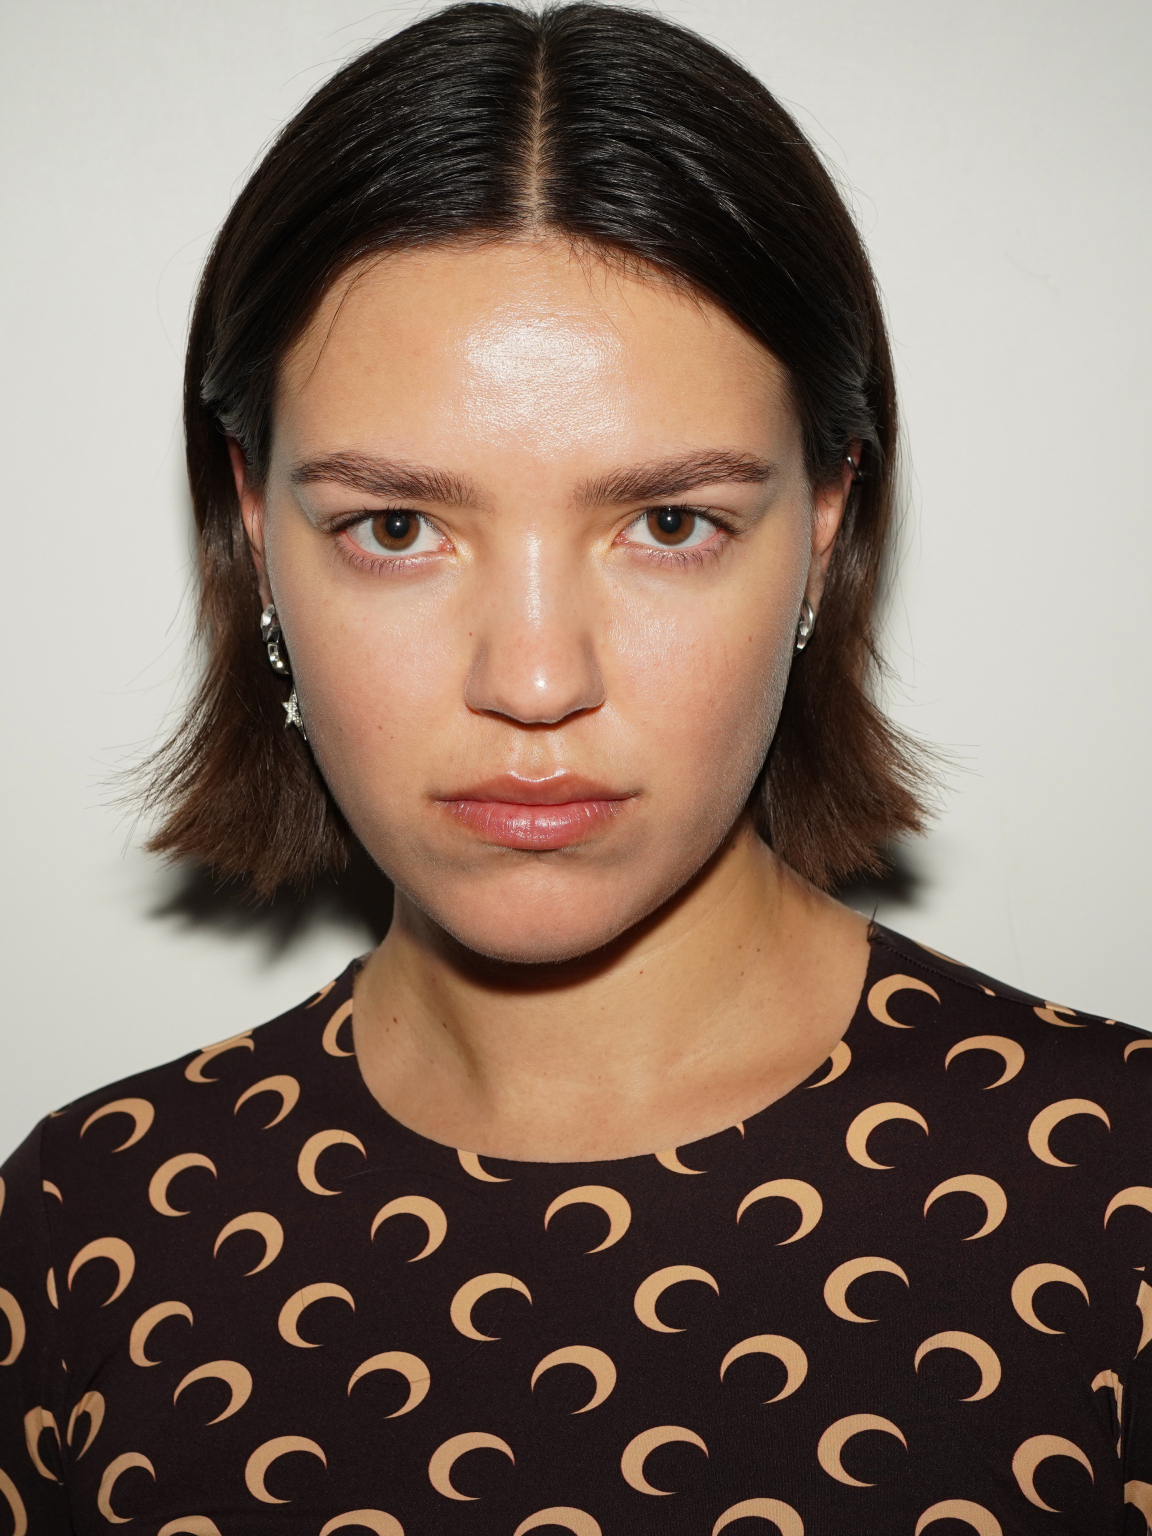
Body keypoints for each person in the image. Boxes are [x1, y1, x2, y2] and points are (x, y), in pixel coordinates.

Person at [0, 4, 1148, 1532]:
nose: (536, 680)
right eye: (397, 527)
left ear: (822, 527)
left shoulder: (1119, 1197)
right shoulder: (86, 1226)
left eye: (669, 524)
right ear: (258, 530)